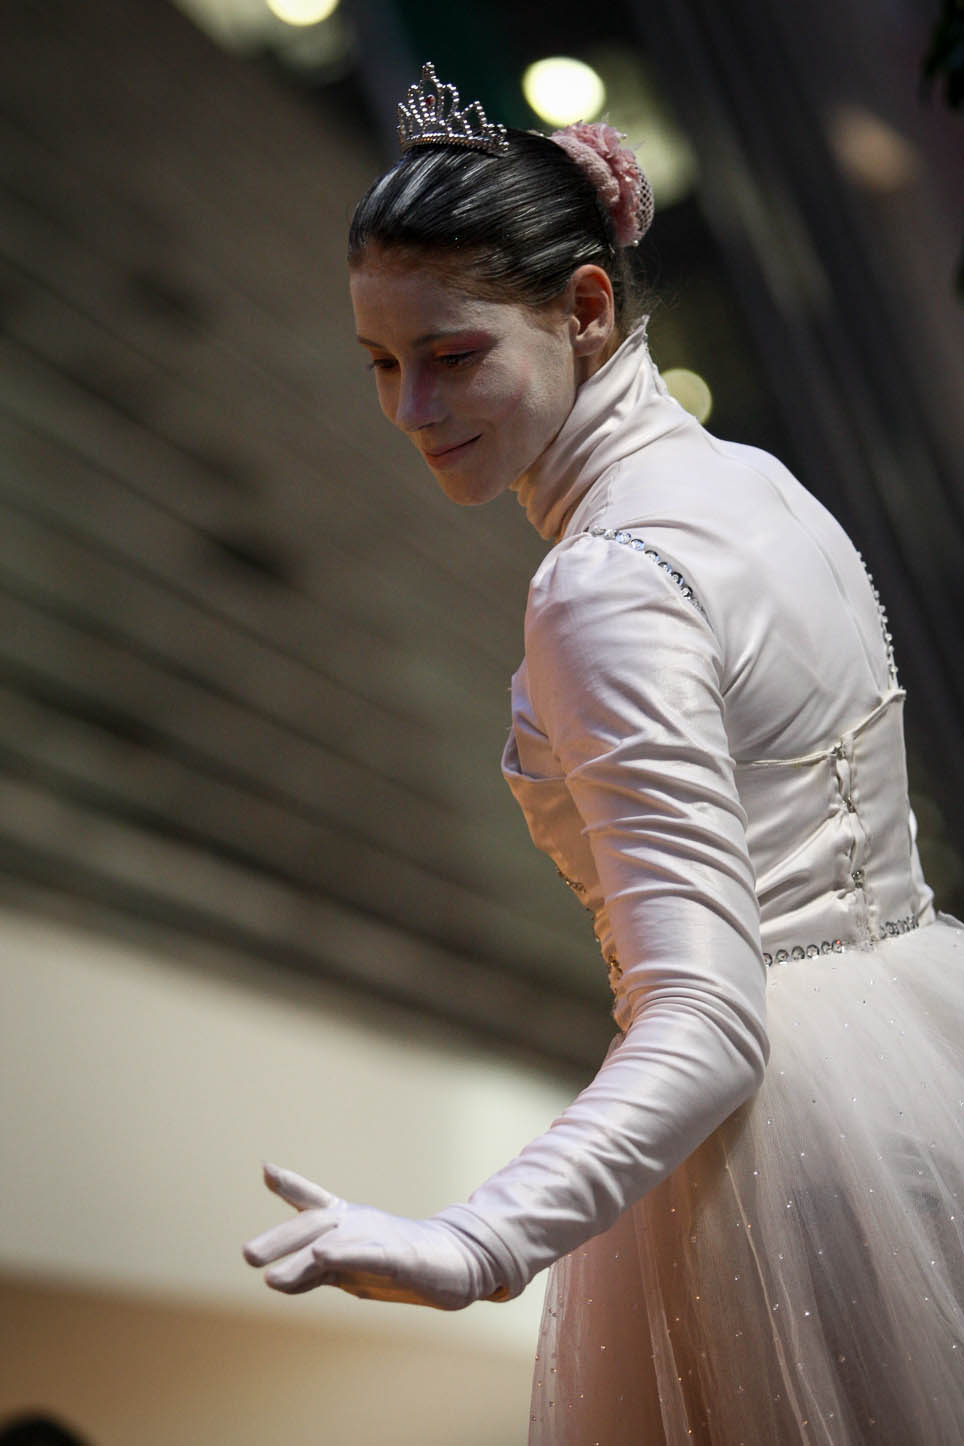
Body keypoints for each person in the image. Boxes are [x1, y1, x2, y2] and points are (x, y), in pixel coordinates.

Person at [244, 62, 964, 1442]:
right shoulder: (757, 483)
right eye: (384, 365)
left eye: (451, 354)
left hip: (786, 1152)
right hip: (917, 1062)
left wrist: (475, 1238)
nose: (409, 410)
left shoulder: (609, 579)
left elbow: (707, 1012)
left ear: (583, 308)